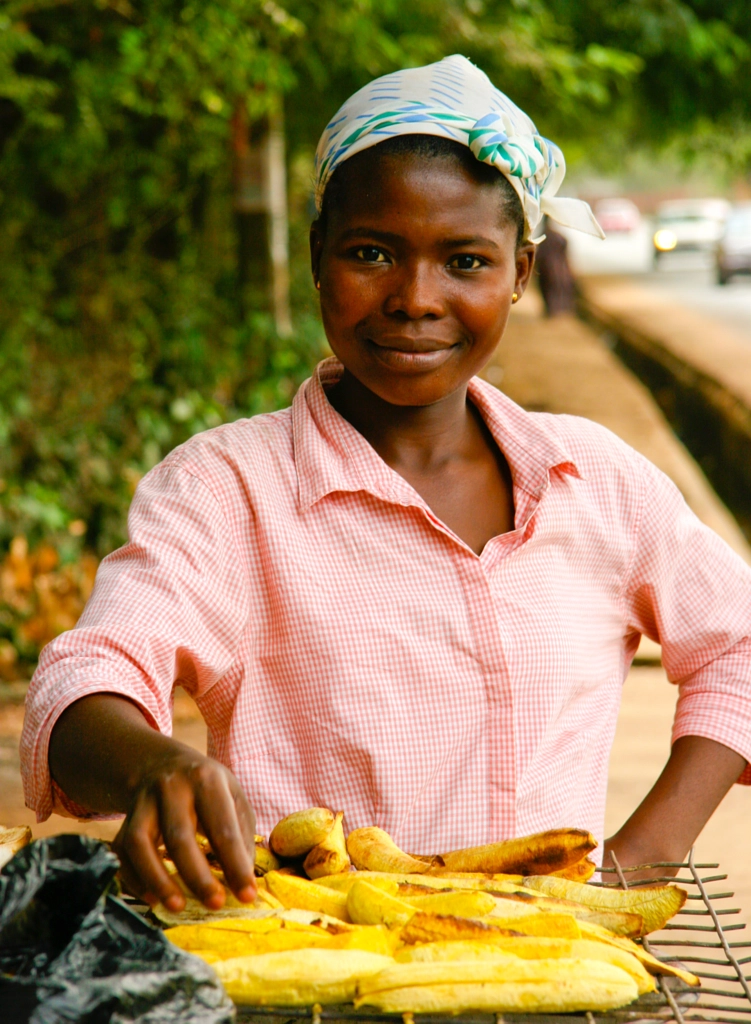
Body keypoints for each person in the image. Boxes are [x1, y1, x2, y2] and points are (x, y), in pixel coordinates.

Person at [21, 56, 751, 917]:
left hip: (553, 966)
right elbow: (85, 678)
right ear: (319, 259)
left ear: (519, 273)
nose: (415, 298)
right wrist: (156, 763)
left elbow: (736, 643)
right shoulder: (225, 490)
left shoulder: (598, 483)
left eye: (464, 262)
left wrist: (645, 855)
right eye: (372, 253)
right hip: (318, 967)